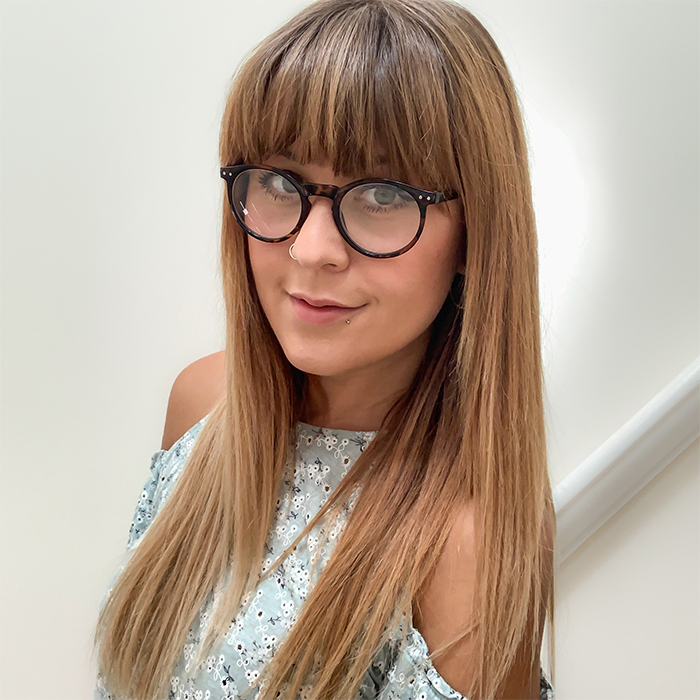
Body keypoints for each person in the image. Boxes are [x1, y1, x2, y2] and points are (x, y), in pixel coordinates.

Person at [94, 0, 556, 698]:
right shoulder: (201, 403)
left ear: (475, 233)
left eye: (382, 194)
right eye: (281, 183)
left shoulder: (464, 540)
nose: (311, 250)